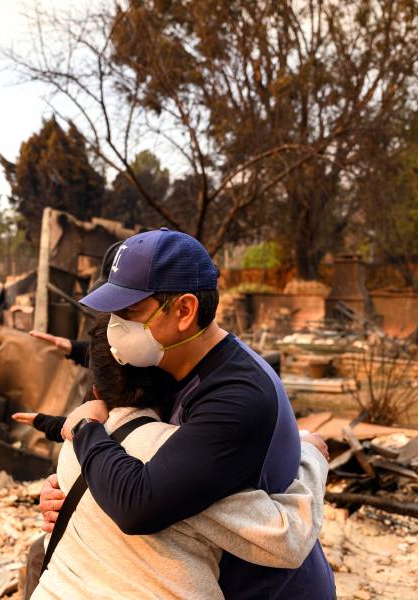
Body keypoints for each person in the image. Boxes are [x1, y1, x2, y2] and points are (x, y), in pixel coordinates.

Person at [46, 228, 334, 598]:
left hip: (265, 589)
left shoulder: (237, 397)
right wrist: (63, 488)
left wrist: (86, 428)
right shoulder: (158, 362)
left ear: (184, 310)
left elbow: (139, 505)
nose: (117, 325)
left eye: (130, 311)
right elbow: (129, 444)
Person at [16, 315, 329, 599]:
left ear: (97, 390)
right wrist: (311, 456)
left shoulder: (76, 443)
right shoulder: (177, 463)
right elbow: (288, 538)